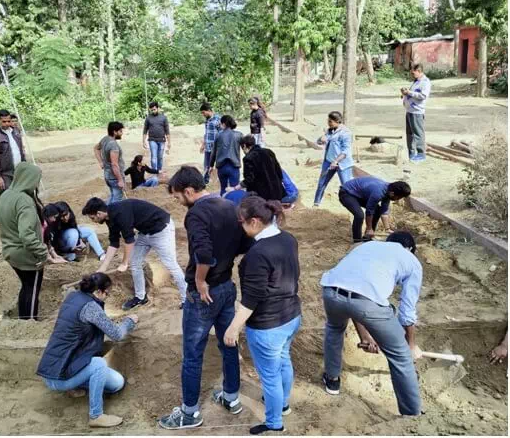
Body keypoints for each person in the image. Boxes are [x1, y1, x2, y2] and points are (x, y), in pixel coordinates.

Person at [159, 166, 251, 430]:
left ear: (188, 191)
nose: (178, 202)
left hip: (204, 294)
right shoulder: (228, 205)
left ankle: (189, 413)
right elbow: (244, 244)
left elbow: (204, 252)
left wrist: (200, 280)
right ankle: (231, 398)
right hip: (226, 287)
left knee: (192, 354)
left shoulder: (196, 213)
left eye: (178, 197)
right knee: (228, 344)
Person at [320, 232, 423, 416]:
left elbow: (352, 297)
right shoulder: (412, 261)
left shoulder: (367, 246)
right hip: (366, 303)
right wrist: (411, 346)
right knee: (400, 356)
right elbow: (407, 311)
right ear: (410, 249)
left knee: (335, 329)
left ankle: (332, 380)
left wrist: (365, 336)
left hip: (331, 292)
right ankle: (412, 413)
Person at [224, 196, 301, 435]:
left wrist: (233, 327)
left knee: (269, 377)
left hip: (268, 325)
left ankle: (274, 423)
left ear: (255, 221)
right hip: (291, 316)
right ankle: (284, 404)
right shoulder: (288, 239)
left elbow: (252, 298)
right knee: (283, 360)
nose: (240, 227)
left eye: (242, 222)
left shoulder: (257, 254)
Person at [36, 272, 138, 428]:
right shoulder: (91, 307)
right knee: (100, 366)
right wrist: (130, 321)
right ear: (98, 292)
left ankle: (73, 386)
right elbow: (116, 334)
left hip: (52, 371)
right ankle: (96, 415)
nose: (107, 296)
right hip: (60, 377)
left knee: (116, 382)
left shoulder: (72, 296)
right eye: (107, 293)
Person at [82, 197, 187, 310]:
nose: (93, 221)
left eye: (92, 218)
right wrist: (103, 268)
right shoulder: (109, 218)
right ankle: (140, 297)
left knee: (171, 265)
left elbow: (129, 240)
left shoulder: (120, 212)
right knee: (135, 263)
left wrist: (124, 263)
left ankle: (187, 299)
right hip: (145, 232)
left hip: (161, 230)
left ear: (99, 213)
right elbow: (114, 243)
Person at [0, 162, 48, 320]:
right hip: (25, 254)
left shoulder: (6, 195)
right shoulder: (24, 201)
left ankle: (22, 320)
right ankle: (30, 321)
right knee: (32, 289)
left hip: (10, 250)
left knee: (26, 286)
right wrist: (42, 252)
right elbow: (26, 235)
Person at [339, 176, 411, 243]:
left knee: (377, 210)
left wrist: (387, 229)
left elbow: (384, 211)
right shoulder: (378, 192)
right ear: (392, 193)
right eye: (398, 198)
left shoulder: (389, 191)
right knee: (359, 215)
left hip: (359, 194)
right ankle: (357, 241)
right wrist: (369, 228)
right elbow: (369, 211)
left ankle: (368, 237)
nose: (397, 200)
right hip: (347, 193)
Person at [313, 111, 354, 207]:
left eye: (330, 121)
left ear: (338, 121)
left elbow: (346, 151)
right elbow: (319, 141)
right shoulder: (330, 130)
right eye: (328, 120)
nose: (328, 123)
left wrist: (336, 161)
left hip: (342, 164)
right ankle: (316, 204)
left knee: (347, 186)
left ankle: (353, 207)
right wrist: (321, 139)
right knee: (321, 183)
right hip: (328, 161)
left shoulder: (346, 133)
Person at [229, 135, 284, 201]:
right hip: (276, 193)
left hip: (261, 196)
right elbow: (279, 172)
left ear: (244, 146)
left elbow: (249, 179)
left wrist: (235, 188)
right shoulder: (269, 152)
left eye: (242, 148)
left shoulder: (248, 158)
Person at [0, 109, 26, 194]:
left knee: (23, 197)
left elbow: (21, 150)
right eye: (4, 121)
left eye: (9, 121)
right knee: (8, 199)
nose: (7, 124)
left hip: (19, 171)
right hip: (5, 174)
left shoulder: (15, 131)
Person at [401, 63, 431, 162]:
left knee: (418, 133)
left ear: (419, 71)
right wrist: (405, 94)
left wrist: (409, 93)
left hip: (417, 112)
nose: (412, 75)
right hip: (409, 111)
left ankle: (421, 154)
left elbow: (423, 96)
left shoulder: (425, 82)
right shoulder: (416, 81)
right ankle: (411, 153)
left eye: (414, 73)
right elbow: (413, 93)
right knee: (409, 134)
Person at [208, 115, 243, 196]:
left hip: (221, 166)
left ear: (223, 124)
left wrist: (211, 165)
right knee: (234, 189)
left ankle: (223, 206)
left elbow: (214, 151)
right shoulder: (239, 135)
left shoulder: (218, 135)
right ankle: (234, 207)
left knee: (223, 189)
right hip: (234, 166)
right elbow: (246, 148)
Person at [95, 121, 126, 204]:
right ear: (114, 132)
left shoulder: (105, 139)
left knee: (113, 196)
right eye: (120, 131)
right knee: (118, 200)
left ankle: (105, 211)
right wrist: (120, 180)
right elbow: (114, 164)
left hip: (108, 175)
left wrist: (101, 162)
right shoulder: (113, 145)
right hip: (114, 177)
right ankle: (109, 214)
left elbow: (96, 148)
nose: (122, 133)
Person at [142, 101, 170, 171]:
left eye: (154, 109)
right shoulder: (148, 118)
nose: (153, 111)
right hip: (152, 140)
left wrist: (169, 142)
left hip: (162, 140)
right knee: (154, 157)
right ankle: (154, 171)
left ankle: (159, 170)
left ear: (158, 108)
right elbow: (145, 130)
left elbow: (167, 131)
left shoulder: (164, 118)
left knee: (160, 157)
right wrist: (143, 141)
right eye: (151, 110)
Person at [199, 102, 221, 184]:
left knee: (218, 164)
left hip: (216, 147)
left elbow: (222, 133)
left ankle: (218, 181)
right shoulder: (207, 121)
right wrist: (203, 145)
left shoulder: (218, 119)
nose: (203, 114)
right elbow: (206, 133)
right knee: (206, 165)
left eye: (203, 112)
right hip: (208, 147)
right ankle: (205, 181)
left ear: (208, 110)